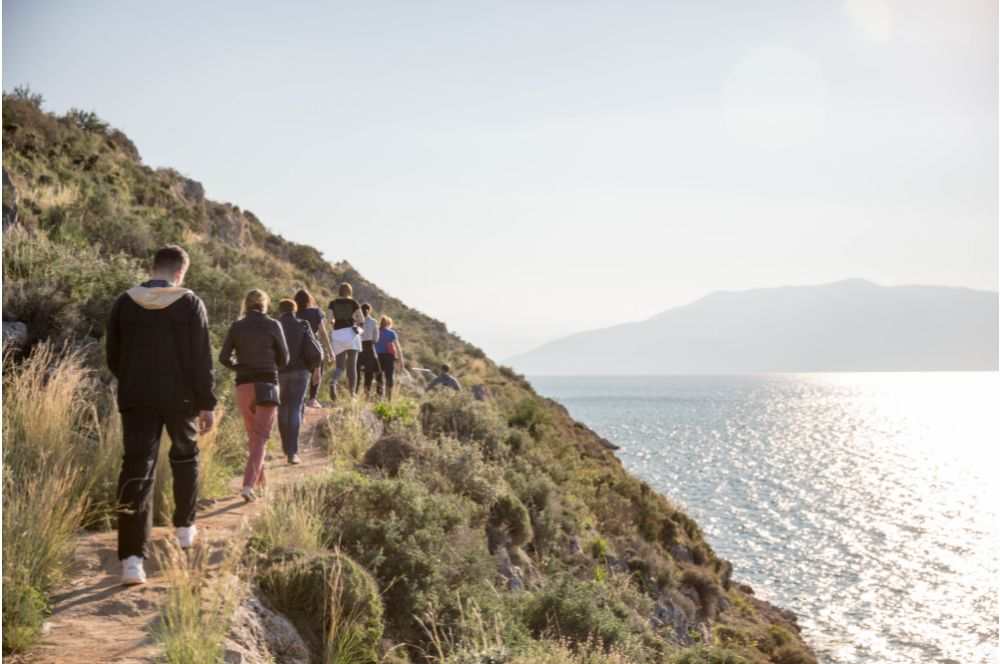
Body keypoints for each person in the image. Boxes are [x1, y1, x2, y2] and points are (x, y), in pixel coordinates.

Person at [106, 244, 216, 586]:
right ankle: (184, 529)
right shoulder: (189, 302)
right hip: (180, 398)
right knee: (185, 456)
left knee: (137, 469)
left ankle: (131, 561)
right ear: (180, 272)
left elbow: (113, 355)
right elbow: (201, 358)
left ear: (152, 267)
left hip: (136, 396)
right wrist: (206, 402)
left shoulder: (125, 301)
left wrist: (135, 380)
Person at [219, 289, 289, 502]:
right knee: (260, 438)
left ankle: (261, 484)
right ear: (265, 304)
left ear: (246, 305)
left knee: (255, 438)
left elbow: (223, 357)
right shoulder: (273, 325)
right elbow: (285, 358)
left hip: (243, 386)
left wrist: (239, 367)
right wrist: (269, 366)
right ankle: (248, 485)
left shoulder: (237, 326)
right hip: (266, 384)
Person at [276, 299, 322, 465]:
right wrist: (316, 369)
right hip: (301, 372)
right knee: (295, 408)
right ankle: (292, 452)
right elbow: (315, 349)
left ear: (280, 311)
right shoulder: (303, 324)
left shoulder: (275, 325)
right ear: (294, 310)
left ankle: (285, 446)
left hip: (279, 372)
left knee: (282, 408)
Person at [293, 289, 331, 408]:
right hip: (313, 346)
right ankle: (312, 398)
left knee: (301, 373)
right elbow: (323, 332)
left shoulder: (294, 313)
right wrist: (330, 351)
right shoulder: (316, 312)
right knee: (317, 371)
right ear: (309, 300)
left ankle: (299, 398)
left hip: (298, 348)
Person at [327, 282, 362, 401]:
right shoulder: (353, 303)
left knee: (340, 366)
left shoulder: (332, 303)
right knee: (352, 366)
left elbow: (329, 319)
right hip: (351, 334)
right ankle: (352, 394)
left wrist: (335, 323)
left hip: (337, 335)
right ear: (349, 291)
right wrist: (356, 324)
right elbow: (361, 319)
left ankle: (333, 381)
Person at [374, 315, 405, 401]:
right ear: (388, 324)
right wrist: (401, 360)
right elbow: (398, 347)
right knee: (389, 377)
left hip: (377, 357)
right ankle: (389, 398)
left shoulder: (376, 332)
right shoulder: (391, 333)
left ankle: (379, 397)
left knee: (379, 377)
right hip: (389, 357)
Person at [356, 302, 381, 397]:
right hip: (369, 347)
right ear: (369, 310)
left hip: (358, 346)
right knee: (369, 372)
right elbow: (376, 338)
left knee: (356, 371)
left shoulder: (357, 321)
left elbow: (355, 334)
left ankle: (354, 393)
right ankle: (367, 394)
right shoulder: (374, 322)